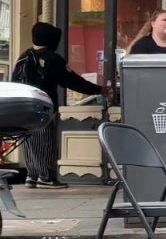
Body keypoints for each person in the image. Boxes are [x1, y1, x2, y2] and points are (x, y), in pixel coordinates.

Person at [15, 23, 102, 189]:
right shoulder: (52, 58)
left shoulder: (23, 56)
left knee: (30, 141)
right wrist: (98, 89)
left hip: (22, 107)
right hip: (42, 108)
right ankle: (47, 177)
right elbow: (71, 80)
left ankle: (32, 175)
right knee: (46, 141)